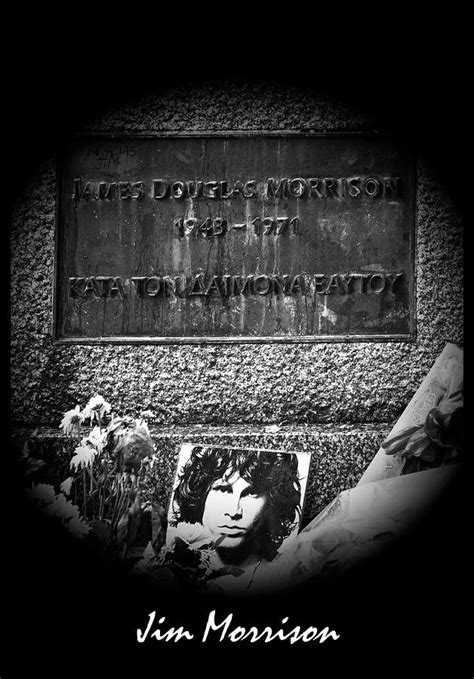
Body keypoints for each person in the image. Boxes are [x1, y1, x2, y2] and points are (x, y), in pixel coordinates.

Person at [170, 446, 302, 589]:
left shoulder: (287, 575)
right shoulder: (169, 564)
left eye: (251, 493)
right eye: (222, 490)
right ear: (200, 495)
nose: (234, 511)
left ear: (272, 502)